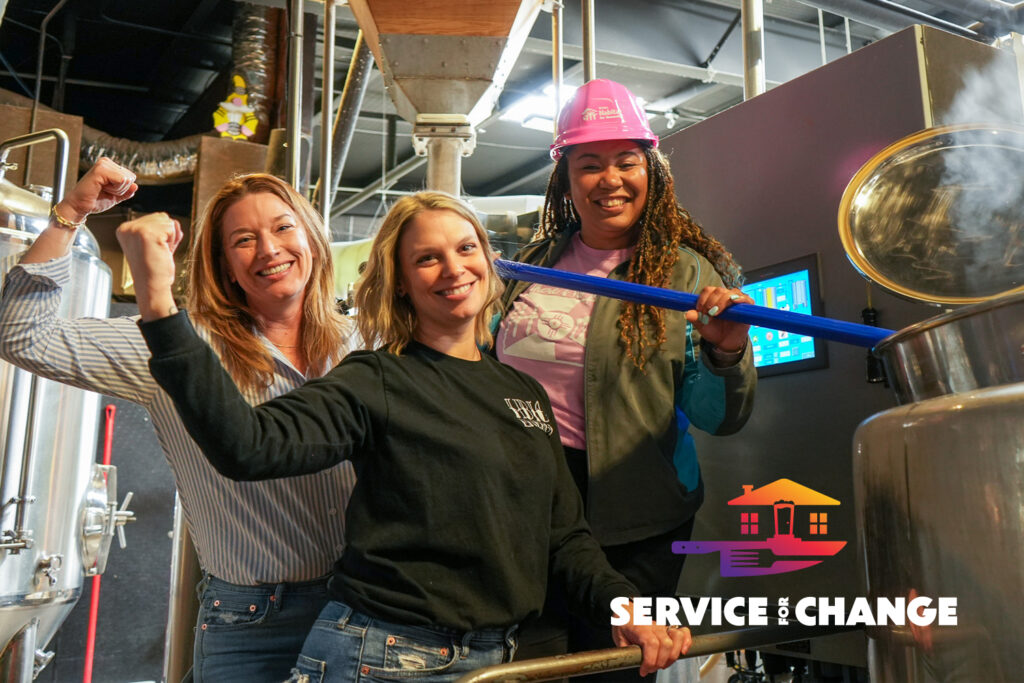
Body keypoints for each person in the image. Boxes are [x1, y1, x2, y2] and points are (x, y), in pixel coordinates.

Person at [118, 191, 693, 682]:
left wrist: (625, 606)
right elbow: (249, 445)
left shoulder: (523, 393)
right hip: (381, 658)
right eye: (427, 259)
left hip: (497, 659)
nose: (454, 269)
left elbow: (565, 536)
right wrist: (159, 303)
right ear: (399, 284)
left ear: (490, 264)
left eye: (466, 249)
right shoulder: (377, 378)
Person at [0, 158, 360, 682]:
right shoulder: (174, 344)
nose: (270, 249)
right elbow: (21, 336)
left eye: (283, 227)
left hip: (360, 608)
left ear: (312, 238)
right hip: (255, 620)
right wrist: (72, 212)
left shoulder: (365, 342)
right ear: (224, 266)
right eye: (243, 240)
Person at [495, 78, 757, 678]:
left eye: (626, 162)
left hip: (639, 519)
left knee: (610, 668)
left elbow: (721, 418)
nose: (609, 179)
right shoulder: (529, 266)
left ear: (652, 171)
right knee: (529, 661)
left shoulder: (687, 274)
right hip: (529, 503)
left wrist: (726, 353)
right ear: (565, 178)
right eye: (589, 165)